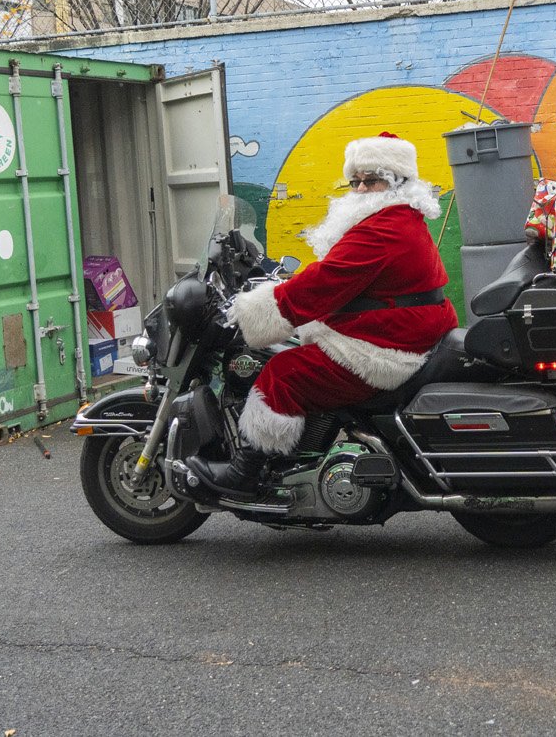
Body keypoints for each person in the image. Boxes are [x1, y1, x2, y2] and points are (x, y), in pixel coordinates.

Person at [186, 132, 457, 499]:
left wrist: (256, 310)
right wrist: (283, 282)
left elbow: (327, 280)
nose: (360, 190)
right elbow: (340, 274)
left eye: (372, 180)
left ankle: (246, 474)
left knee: (284, 372)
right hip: (399, 331)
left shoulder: (384, 228)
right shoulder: (396, 219)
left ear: (397, 183)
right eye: (356, 181)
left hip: (386, 348)